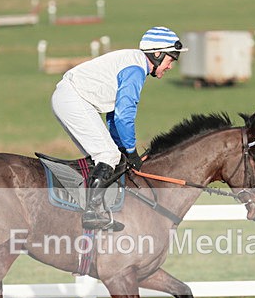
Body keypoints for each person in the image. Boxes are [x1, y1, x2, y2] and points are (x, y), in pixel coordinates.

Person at [51, 26, 187, 231]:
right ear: (157, 54)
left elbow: (113, 115)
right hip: (74, 99)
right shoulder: (135, 70)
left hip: (70, 98)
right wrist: (131, 151)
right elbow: (124, 115)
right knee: (107, 155)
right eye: (170, 60)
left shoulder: (134, 63)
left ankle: (91, 206)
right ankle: (92, 212)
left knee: (110, 155)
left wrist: (122, 148)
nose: (170, 66)